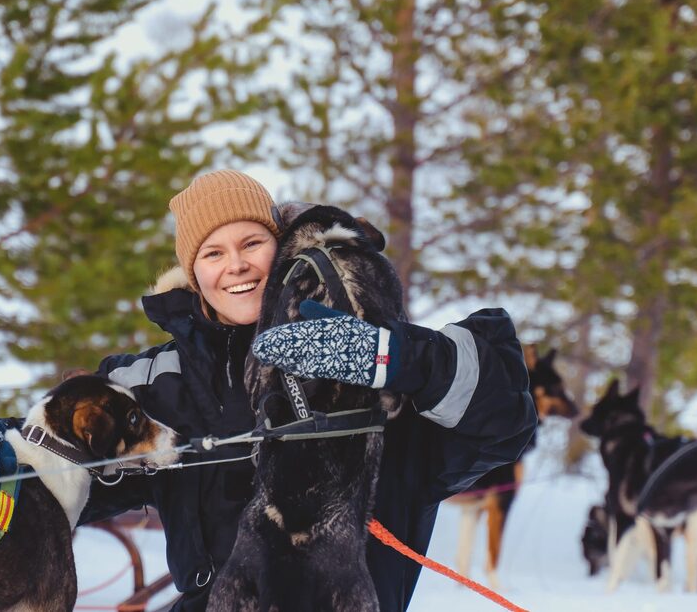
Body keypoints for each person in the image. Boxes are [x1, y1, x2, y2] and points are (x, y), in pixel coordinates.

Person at [79, 169, 537, 611]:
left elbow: (501, 422)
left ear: (280, 250)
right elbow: (64, 476)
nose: (236, 265)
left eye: (251, 243)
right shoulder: (152, 383)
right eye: (213, 253)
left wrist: (398, 359)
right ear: (193, 273)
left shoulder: (363, 358)